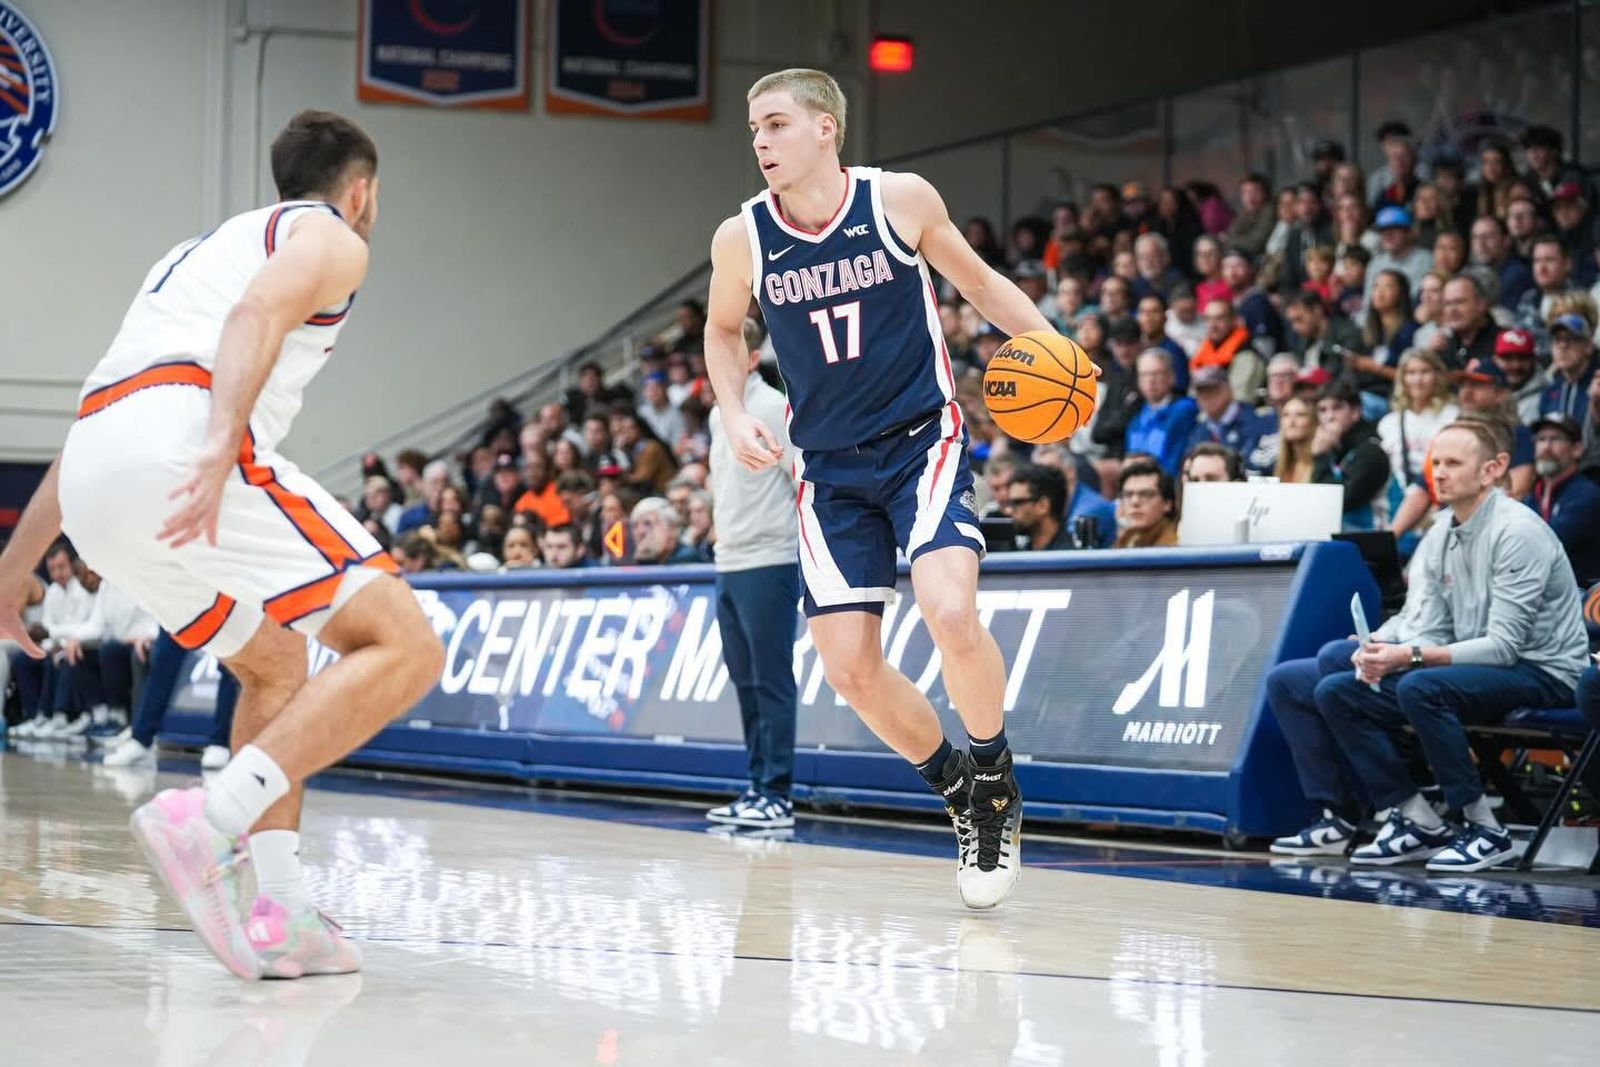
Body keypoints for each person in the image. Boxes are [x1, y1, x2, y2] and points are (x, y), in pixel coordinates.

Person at [0, 111, 443, 980]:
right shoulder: (333, 237)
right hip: (185, 440)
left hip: (96, 474)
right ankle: (211, 817)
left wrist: (13, 568)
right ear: (363, 193)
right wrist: (217, 444)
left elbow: (104, 413)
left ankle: (284, 906)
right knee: (405, 643)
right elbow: (257, 314)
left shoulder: (189, 255)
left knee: (276, 662)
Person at [704, 69, 1051, 909]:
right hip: (826, 470)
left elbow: (975, 281)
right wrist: (729, 409)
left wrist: (1052, 342)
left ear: (826, 129)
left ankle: (996, 777)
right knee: (851, 668)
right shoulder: (741, 235)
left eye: (776, 124)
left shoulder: (897, 199)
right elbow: (721, 330)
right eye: (754, 128)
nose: (760, 141)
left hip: (920, 441)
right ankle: (958, 788)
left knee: (951, 609)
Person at [1316, 421, 1589, 871]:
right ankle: (1417, 819)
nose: (1439, 474)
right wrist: (1381, 646)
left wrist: (1411, 658)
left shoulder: (1517, 531)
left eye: (1453, 464)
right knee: (1339, 691)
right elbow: (1431, 623)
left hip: (1546, 672)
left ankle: (1486, 829)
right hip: (1483, 669)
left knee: (1420, 687)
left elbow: (1504, 648)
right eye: (1435, 463)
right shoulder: (1442, 531)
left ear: (1491, 471)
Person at [705, 341, 802, 828]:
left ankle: (777, 794)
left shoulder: (772, 407)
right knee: (745, 683)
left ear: (749, 358)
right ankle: (756, 787)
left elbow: (802, 477)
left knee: (771, 681)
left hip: (771, 559)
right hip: (728, 561)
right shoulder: (718, 417)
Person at [1525, 413, 1600, 585]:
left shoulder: (1587, 494)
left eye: (1555, 439)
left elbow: (1547, 544)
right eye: (1541, 439)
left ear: (1577, 449)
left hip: (1583, 596)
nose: (1546, 447)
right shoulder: (1532, 497)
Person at [1311, 380, 1391, 531]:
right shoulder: (1336, 448)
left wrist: (1320, 457)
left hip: (1378, 538)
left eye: (1337, 408)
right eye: (1322, 410)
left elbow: (1334, 504)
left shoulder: (1371, 451)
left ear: (1356, 412)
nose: (1330, 417)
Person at [1186, 366, 1277, 473]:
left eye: (1212, 389)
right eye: (1201, 391)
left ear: (1228, 389)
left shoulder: (1257, 421)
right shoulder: (1198, 431)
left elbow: (1258, 463)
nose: (1206, 396)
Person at [1124, 349, 1199, 476]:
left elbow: (1176, 463)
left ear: (1171, 377)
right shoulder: (1136, 421)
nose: (1150, 380)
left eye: (1156, 373)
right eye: (1144, 375)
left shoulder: (1185, 412)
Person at [1542, 311, 1597, 430]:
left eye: (1571, 339)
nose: (1562, 346)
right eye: (1557, 340)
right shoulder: (1549, 392)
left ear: (1588, 346)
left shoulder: (1597, 387)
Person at [1006, 464, 1074, 551]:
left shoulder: (1071, 557)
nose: (1009, 511)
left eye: (1017, 503)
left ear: (1043, 506)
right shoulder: (1020, 552)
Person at [1112, 460, 1178, 548]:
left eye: (1146, 494)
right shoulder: (1125, 539)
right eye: (1128, 495)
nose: (1135, 502)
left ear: (1167, 504)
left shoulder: (1174, 545)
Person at [1274, 396, 1317, 483]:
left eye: (1300, 415)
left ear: (1313, 421)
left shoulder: (1320, 465)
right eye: (1286, 415)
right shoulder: (1280, 465)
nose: (1291, 422)